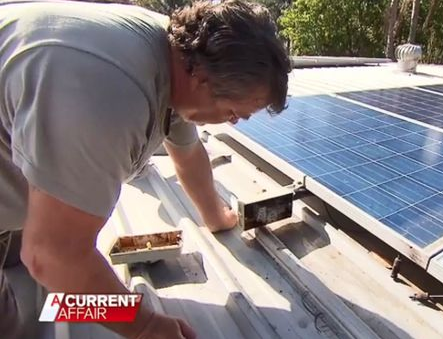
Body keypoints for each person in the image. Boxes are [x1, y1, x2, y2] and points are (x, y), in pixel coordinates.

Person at [0, 0, 291, 338]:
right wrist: (145, 326)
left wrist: (214, 214)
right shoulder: (107, 99)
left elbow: (188, 151)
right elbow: (50, 256)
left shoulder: (179, 55)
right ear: (201, 80)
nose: (233, 122)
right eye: (231, 113)